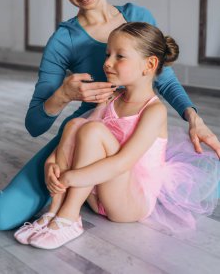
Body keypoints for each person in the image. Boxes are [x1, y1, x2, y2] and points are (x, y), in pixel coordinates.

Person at [0, 0, 220, 231]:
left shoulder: (137, 17)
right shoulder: (64, 39)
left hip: (133, 131)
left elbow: (164, 78)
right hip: (89, 131)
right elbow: (34, 124)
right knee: (0, 214)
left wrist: (193, 117)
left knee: (208, 182)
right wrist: (63, 94)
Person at [14, 22, 220, 249]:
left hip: (130, 201)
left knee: (93, 130)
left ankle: (70, 217)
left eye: (119, 56)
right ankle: (54, 211)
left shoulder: (154, 110)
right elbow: (75, 137)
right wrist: (51, 163)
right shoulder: (111, 98)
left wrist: (72, 176)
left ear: (149, 64)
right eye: (107, 54)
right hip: (96, 193)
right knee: (75, 124)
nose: (107, 63)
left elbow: (123, 163)